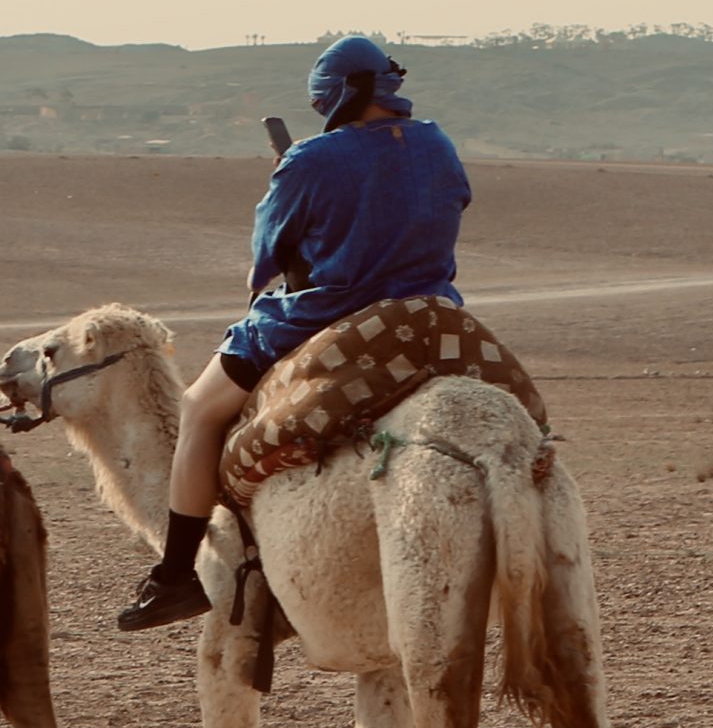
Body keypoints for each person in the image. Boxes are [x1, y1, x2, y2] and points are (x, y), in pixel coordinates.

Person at [117, 36, 473, 630]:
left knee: (199, 408)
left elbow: (268, 259)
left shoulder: (311, 159)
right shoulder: (438, 142)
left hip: (328, 318)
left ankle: (176, 576)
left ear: (334, 96)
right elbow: (451, 207)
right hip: (429, 316)